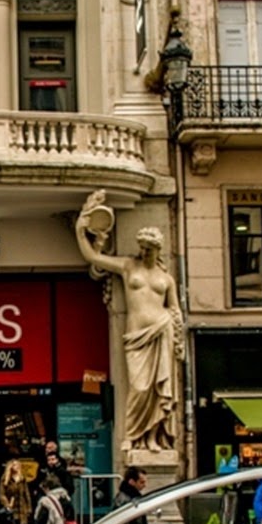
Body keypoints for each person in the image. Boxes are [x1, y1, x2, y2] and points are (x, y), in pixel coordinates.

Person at [75, 190, 184, 453]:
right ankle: (135, 434)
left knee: (159, 389)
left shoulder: (166, 278)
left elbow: (175, 309)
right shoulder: (128, 267)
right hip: (136, 336)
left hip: (161, 331)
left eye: (150, 249)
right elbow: (93, 258)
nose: (145, 252)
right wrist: (81, 231)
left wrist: (176, 331)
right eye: (143, 248)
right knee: (139, 387)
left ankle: (153, 438)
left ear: (157, 249)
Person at [0, 459, 32, 524]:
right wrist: (6, 504)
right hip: (11, 508)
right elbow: (2, 494)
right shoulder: (5, 479)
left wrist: (28, 507)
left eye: (17, 465)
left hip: (20, 508)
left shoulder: (22, 479)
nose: (16, 467)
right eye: (14, 465)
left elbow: (26, 494)